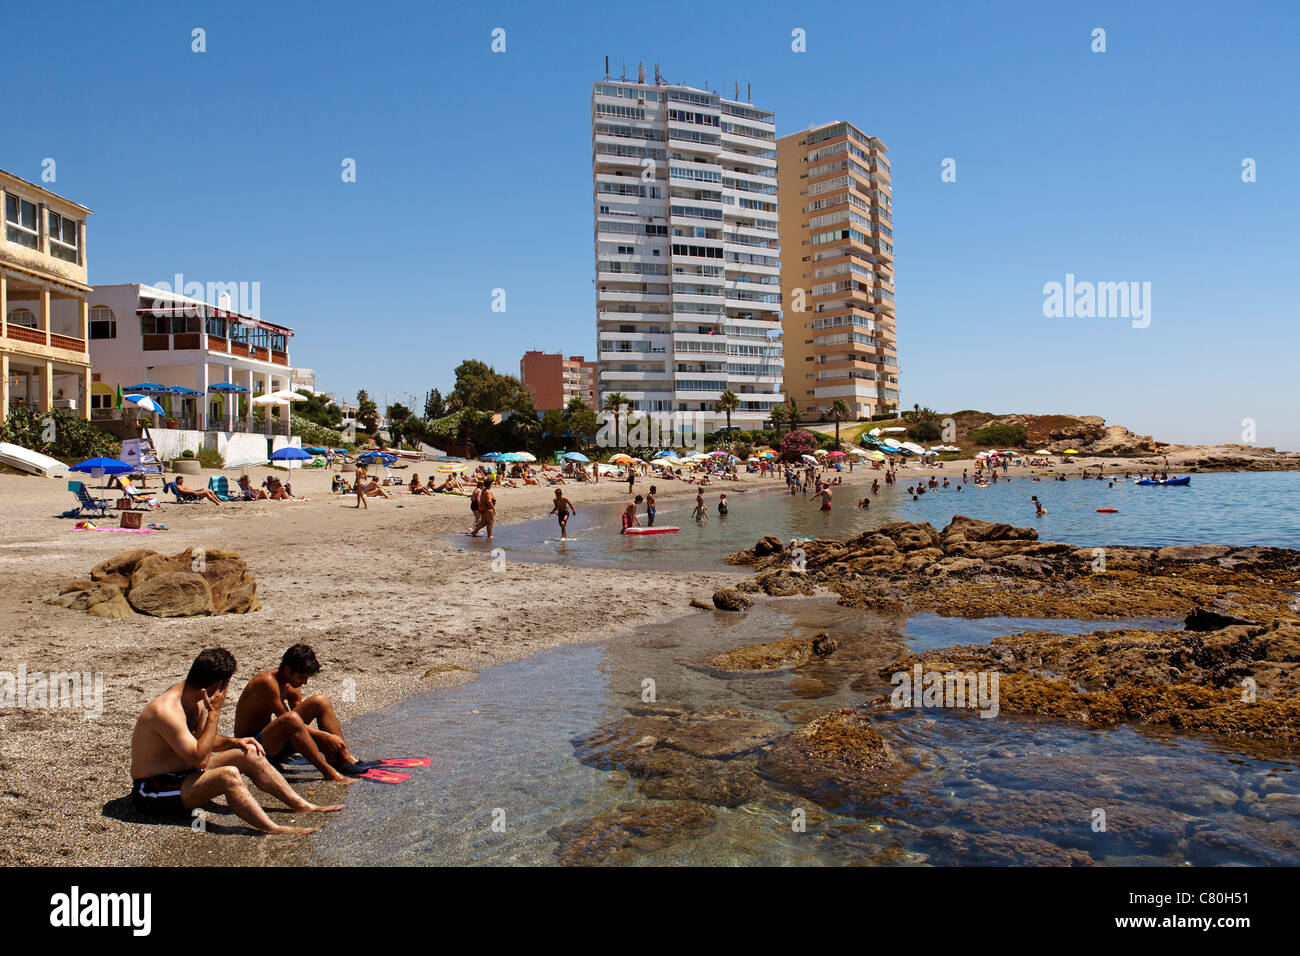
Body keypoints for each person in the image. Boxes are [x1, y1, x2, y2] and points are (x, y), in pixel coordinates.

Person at [129, 648, 341, 835]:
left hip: (184, 774)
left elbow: (207, 742)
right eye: (227, 684)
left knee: (249, 752)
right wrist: (215, 714)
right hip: (153, 789)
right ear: (217, 685)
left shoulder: (197, 700)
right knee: (228, 776)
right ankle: (273, 828)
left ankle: (301, 805)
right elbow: (201, 760)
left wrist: (236, 742)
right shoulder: (167, 711)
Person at [233, 644, 360, 782]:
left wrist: (326, 741)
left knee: (320, 701)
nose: (304, 682)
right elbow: (288, 720)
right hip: (251, 746)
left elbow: (302, 723)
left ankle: (341, 755)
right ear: (287, 669)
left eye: (307, 678)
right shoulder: (266, 682)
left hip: (275, 741)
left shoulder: (291, 685)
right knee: (292, 720)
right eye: (301, 677)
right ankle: (329, 772)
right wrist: (325, 736)